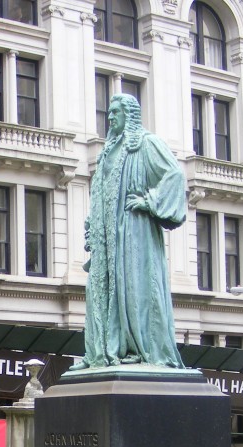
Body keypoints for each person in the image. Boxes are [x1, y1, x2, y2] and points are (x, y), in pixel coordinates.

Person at [70, 93, 187, 370]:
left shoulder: (146, 143)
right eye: (108, 113)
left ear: (129, 115)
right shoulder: (109, 151)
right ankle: (102, 352)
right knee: (100, 291)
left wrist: (149, 202)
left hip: (134, 235)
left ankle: (139, 348)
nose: (109, 118)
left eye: (115, 113)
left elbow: (174, 176)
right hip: (107, 240)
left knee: (134, 288)